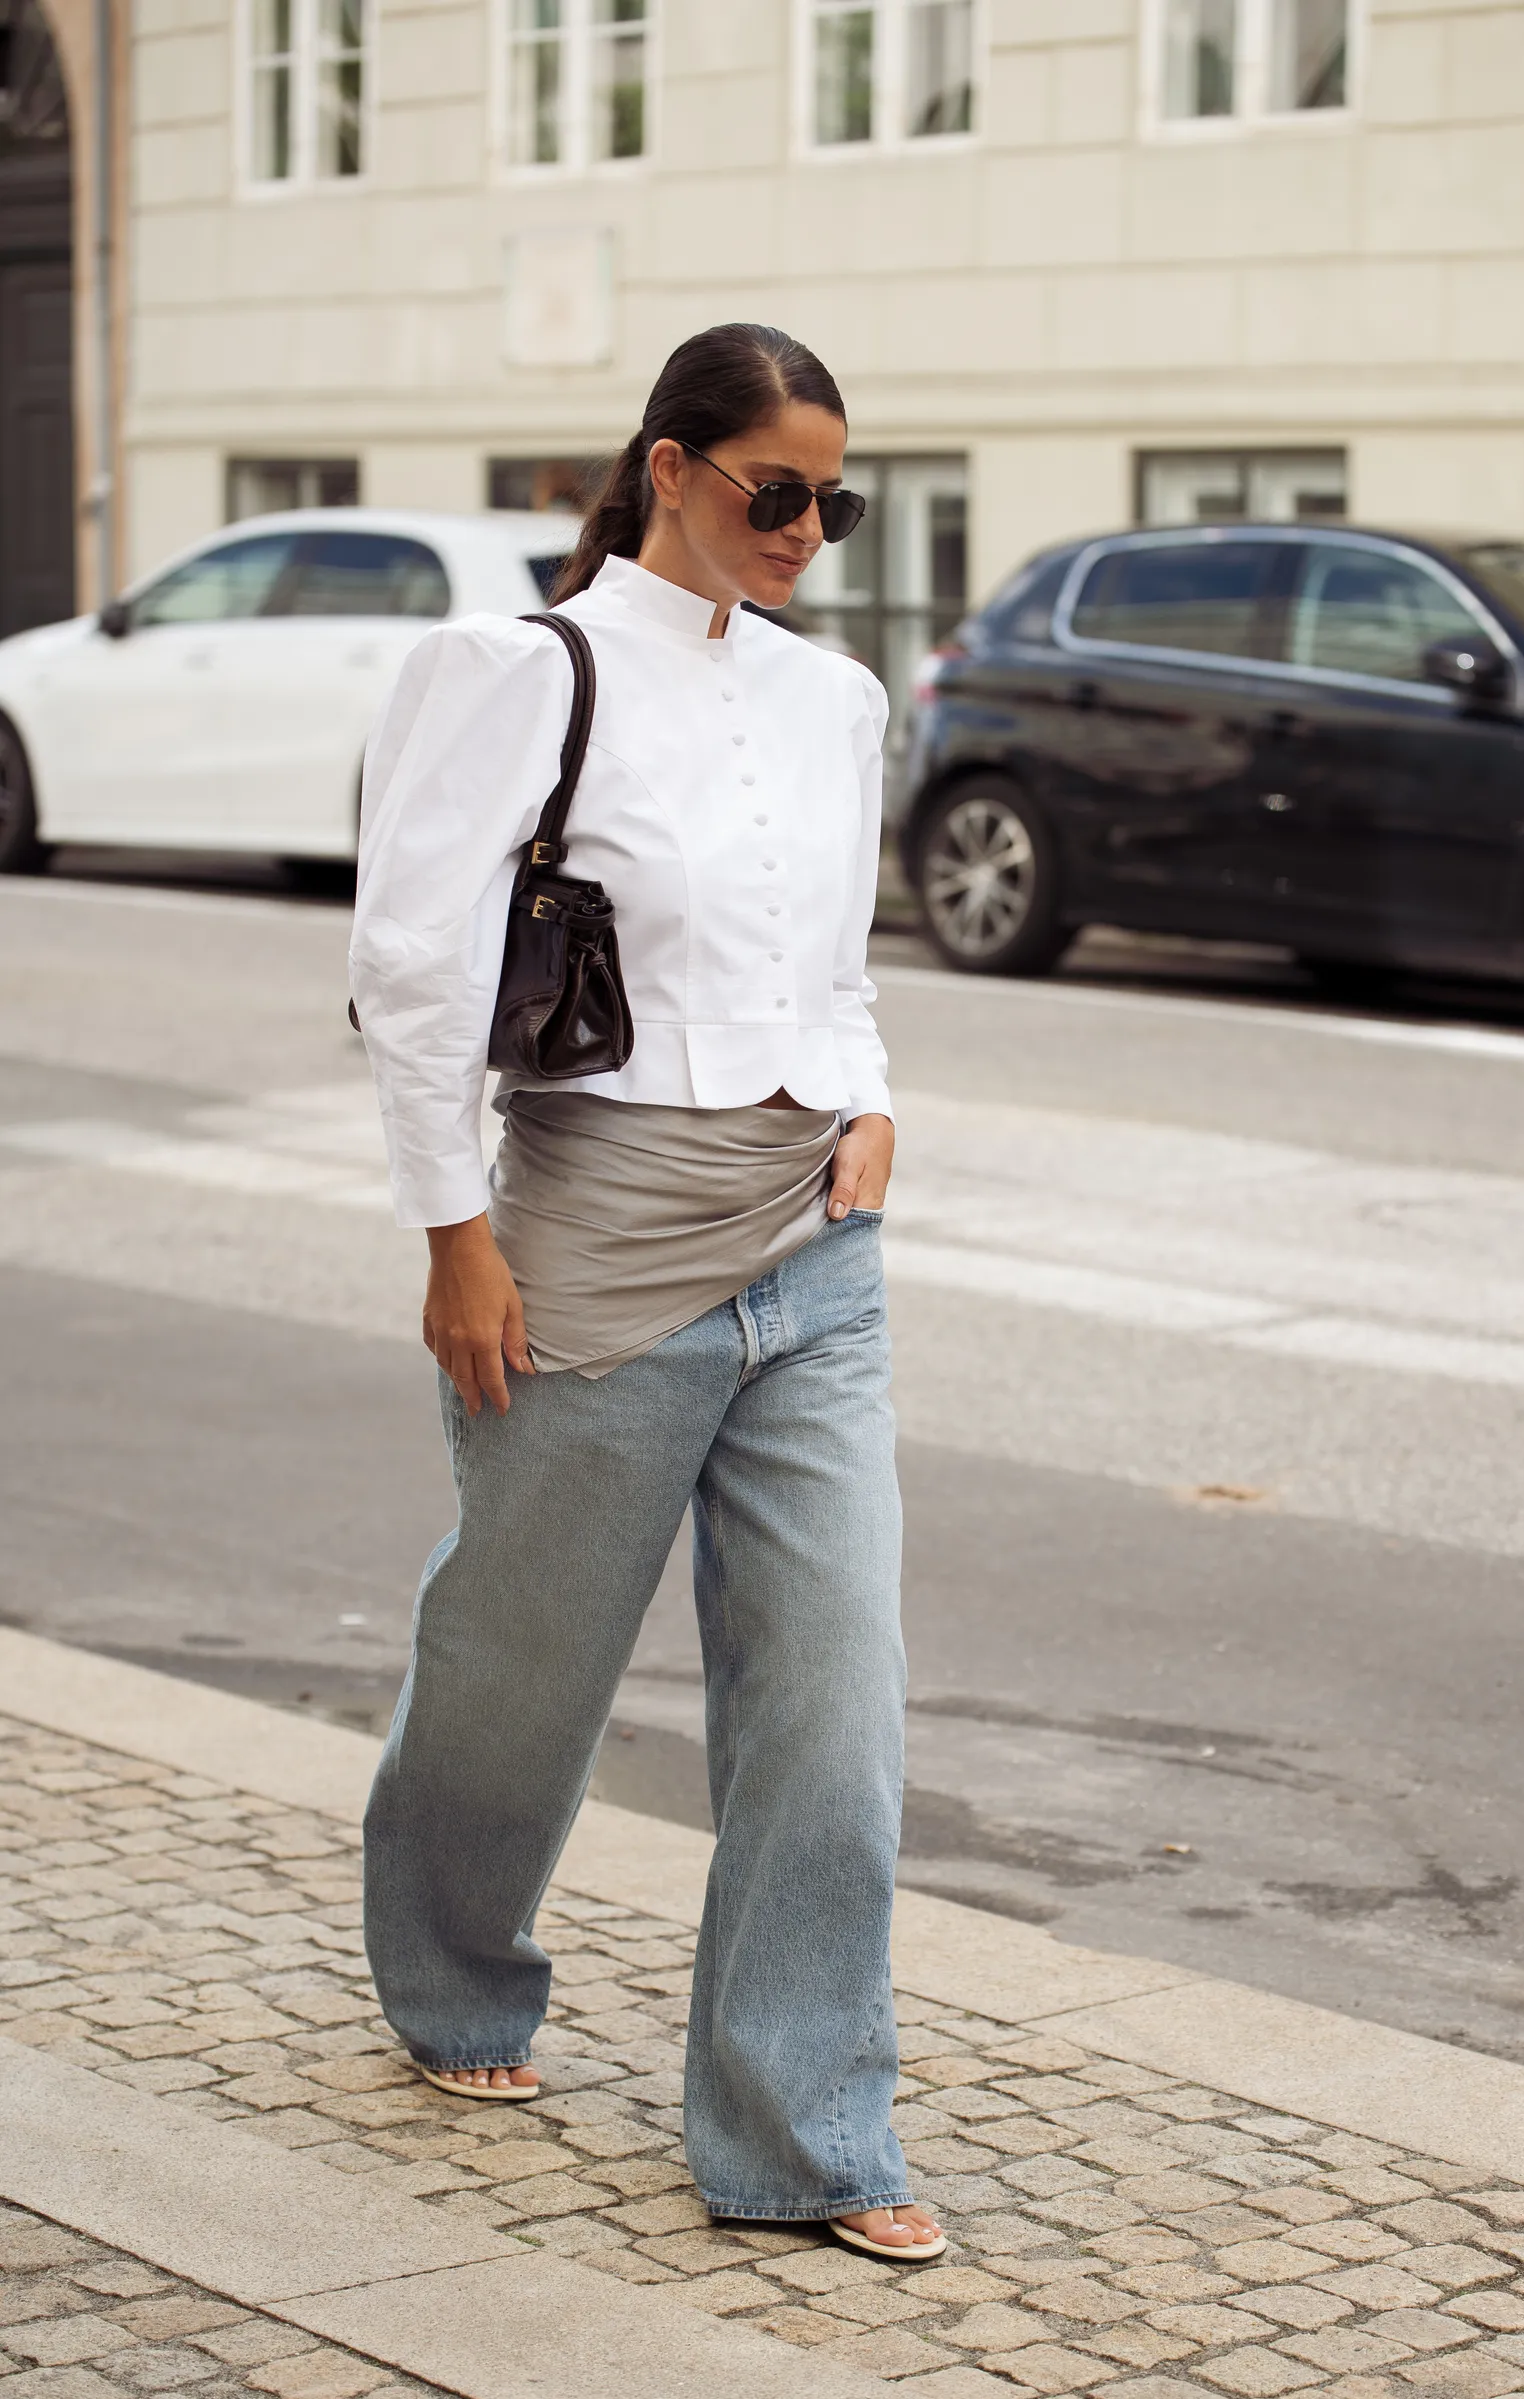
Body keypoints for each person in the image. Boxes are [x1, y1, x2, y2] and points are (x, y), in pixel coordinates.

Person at [348, 323, 943, 2260]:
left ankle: (802, 2133)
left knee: (834, 1706)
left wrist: (862, 1103)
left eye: (830, 501)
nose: (805, 530)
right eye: (776, 491)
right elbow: (419, 965)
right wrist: (454, 1231)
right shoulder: (517, 671)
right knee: (522, 1682)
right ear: (672, 465)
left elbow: (835, 959)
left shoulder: (831, 697)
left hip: (812, 1247)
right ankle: (451, 1973)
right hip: (589, 1238)